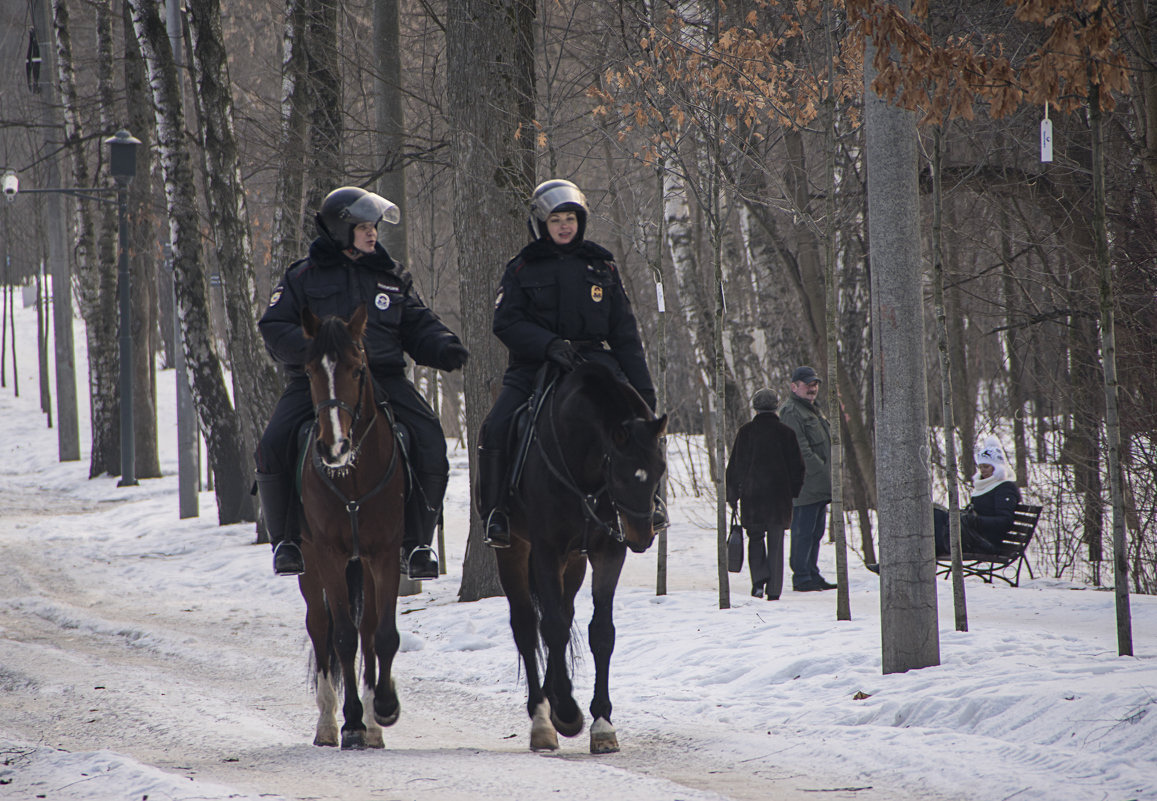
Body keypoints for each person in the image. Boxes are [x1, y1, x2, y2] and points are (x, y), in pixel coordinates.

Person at [255, 186, 468, 580]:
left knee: (431, 439)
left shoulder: (391, 276)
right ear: (340, 229)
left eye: (373, 227)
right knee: (272, 444)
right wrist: (313, 352)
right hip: (317, 380)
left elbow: (417, 322)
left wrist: (444, 347)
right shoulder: (303, 275)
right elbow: (273, 326)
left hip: (382, 378)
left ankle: (417, 544)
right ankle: (285, 541)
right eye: (363, 227)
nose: (372, 234)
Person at [477, 178, 660, 548]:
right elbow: (506, 322)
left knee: (645, 430)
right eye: (556, 219)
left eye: (571, 219)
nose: (564, 226)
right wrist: (547, 345)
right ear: (542, 224)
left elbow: (624, 332)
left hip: (595, 365)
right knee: (496, 426)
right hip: (534, 366)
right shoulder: (523, 267)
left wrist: (642, 390)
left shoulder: (602, 266)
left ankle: (651, 504)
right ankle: (497, 513)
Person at [725, 389, 806, 600]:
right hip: (779, 499)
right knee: (776, 542)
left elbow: (735, 466)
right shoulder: (786, 433)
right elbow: (798, 468)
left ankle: (758, 582)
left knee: (755, 539)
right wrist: (793, 492)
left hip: (753, 498)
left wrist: (733, 495)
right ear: (776, 406)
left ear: (755, 407)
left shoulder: (746, 432)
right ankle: (774, 590)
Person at [779, 365, 836, 592]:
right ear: (794, 387)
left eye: (815, 384)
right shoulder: (792, 411)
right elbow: (800, 447)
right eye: (807, 384)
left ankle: (812, 573)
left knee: (816, 532)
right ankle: (802, 577)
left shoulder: (812, 409)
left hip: (820, 484)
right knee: (803, 531)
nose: (812, 388)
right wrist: (821, 470)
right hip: (806, 484)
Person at [934, 435, 1021, 557]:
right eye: (980, 467)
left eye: (986, 466)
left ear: (997, 468)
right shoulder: (982, 486)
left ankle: (928, 552)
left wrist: (976, 521)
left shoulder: (1005, 488)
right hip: (973, 535)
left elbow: (1005, 521)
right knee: (936, 513)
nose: (983, 470)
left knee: (941, 522)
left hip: (986, 541)